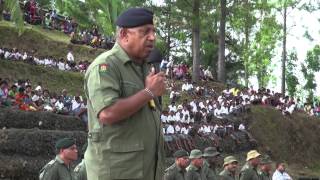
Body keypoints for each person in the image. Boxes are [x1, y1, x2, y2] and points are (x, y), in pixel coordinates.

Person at [84, 7, 165, 180]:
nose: (152, 37)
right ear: (124, 34)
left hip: (145, 170)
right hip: (118, 171)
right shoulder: (106, 66)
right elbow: (107, 112)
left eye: (153, 31)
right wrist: (149, 92)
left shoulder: (145, 68)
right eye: (145, 32)